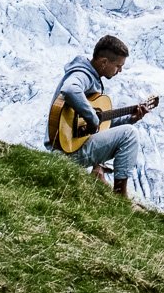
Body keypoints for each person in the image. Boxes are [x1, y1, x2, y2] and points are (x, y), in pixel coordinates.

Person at [49, 34, 149, 197]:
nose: (120, 71)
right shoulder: (83, 75)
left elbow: (102, 125)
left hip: (69, 146)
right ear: (104, 62)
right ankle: (120, 195)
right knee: (130, 135)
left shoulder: (90, 76)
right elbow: (69, 89)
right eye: (118, 66)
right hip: (67, 151)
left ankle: (98, 171)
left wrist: (132, 118)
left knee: (127, 128)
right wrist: (92, 118)